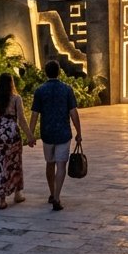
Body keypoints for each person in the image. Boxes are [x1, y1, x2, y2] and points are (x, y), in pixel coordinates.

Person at [30, 59, 82, 211]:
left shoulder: (40, 90)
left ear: (46, 72)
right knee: (61, 165)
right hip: (63, 133)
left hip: (47, 133)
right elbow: (73, 113)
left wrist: (30, 135)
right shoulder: (67, 89)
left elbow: (34, 115)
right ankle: (57, 197)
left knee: (49, 163)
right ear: (59, 72)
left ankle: (52, 193)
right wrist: (79, 132)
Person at [0, 72, 34, 209]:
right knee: (14, 164)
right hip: (11, 134)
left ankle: (2, 200)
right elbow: (22, 120)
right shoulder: (16, 98)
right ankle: (17, 193)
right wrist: (30, 136)